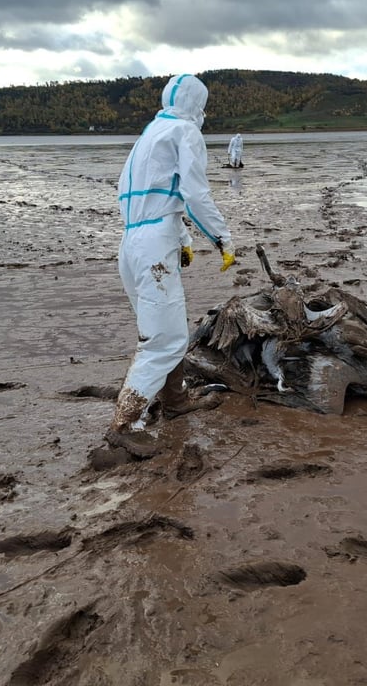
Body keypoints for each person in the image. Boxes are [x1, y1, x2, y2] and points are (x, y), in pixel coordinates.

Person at [107, 74, 236, 458]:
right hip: (153, 246)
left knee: (167, 329)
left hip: (132, 243)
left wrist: (181, 239)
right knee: (162, 340)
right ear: (199, 103)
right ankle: (125, 425)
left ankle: (175, 399)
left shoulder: (148, 135)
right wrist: (221, 238)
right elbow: (194, 193)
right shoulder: (185, 132)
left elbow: (144, 196)